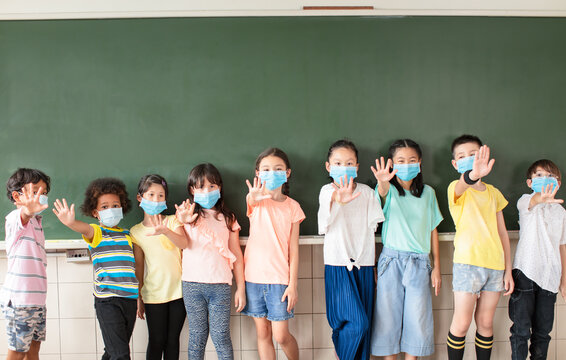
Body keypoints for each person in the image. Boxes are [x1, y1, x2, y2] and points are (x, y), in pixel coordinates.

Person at [370, 139, 443, 359]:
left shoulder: (428, 193)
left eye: (412, 160)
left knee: (417, 320)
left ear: (420, 163)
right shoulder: (388, 190)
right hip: (391, 262)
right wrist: (382, 182)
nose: (407, 164)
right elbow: (381, 195)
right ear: (392, 164)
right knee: (387, 321)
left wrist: (437, 267)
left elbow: (433, 230)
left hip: (420, 263)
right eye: (401, 160)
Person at [53, 177, 138, 360]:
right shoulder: (97, 232)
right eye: (105, 207)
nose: (111, 210)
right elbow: (83, 228)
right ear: (95, 212)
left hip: (130, 299)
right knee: (121, 355)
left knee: (113, 351)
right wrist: (70, 222)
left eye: (115, 205)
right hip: (108, 300)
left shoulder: (127, 235)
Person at [446, 135, 514, 360]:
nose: (469, 159)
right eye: (462, 157)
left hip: (494, 267)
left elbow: (503, 233)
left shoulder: (494, 193)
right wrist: (474, 175)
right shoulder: (456, 188)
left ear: (484, 156)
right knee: (462, 323)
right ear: (455, 164)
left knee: (485, 323)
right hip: (468, 265)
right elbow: (464, 183)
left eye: (473, 155)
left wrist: (508, 269)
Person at [318, 139, 384, 360]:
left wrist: (373, 265)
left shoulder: (366, 193)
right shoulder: (327, 191)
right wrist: (339, 198)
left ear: (357, 166)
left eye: (349, 163)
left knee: (364, 333)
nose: (344, 167)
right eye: (338, 163)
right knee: (357, 324)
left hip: (364, 266)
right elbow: (324, 222)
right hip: (338, 266)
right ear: (328, 166)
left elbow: (373, 231)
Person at [174, 163, 245, 360]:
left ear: (220, 188)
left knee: (221, 336)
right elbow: (179, 240)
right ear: (192, 190)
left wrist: (241, 288)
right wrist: (183, 220)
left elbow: (237, 254)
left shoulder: (228, 218)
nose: (207, 191)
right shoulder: (185, 216)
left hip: (220, 286)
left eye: (212, 186)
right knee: (197, 336)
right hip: (192, 285)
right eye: (201, 187)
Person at [242, 148, 305, 360]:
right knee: (263, 333)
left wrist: (293, 284)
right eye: (266, 169)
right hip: (253, 278)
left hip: (280, 279)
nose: (272, 172)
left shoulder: (293, 207)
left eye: (278, 169)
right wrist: (253, 196)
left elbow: (294, 250)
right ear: (258, 173)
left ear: (287, 173)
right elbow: (251, 201)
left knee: (281, 335)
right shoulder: (256, 201)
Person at [509, 159, 566, 360]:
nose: (545, 179)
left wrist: (564, 280)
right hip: (526, 271)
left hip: (550, 276)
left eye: (550, 176)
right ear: (530, 183)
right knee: (521, 331)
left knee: (542, 334)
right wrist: (541, 199)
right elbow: (533, 203)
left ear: (558, 183)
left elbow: (562, 246)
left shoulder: (561, 212)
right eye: (539, 176)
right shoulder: (525, 201)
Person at [130, 174, 187, 360]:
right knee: (156, 340)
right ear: (140, 198)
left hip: (179, 292)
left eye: (161, 195)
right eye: (151, 195)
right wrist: (138, 296)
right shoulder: (136, 232)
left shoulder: (172, 221)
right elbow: (139, 266)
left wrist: (166, 231)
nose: (156, 199)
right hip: (153, 294)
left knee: (172, 340)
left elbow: (184, 243)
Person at [1, 168, 51, 360]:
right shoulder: (16, 219)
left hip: (37, 301)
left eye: (44, 192)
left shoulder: (37, 223)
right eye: (36, 190)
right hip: (20, 301)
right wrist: (28, 210)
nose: (42, 195)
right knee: (18, 351)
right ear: (17, 196)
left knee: (33, 350)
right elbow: (25, 214)